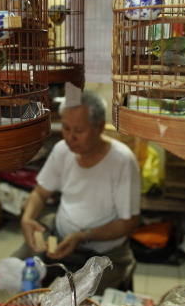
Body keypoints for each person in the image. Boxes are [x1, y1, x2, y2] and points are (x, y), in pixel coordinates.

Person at [15, 90, 141, 294]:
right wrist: (27, 218)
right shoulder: (62, 151)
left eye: (79, 130)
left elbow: (129, 223)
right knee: (17, 275)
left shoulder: (122, 161)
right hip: (60, 238)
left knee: (81, 298)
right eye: (66, 128)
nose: (70, 137)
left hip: (106, 254)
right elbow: (40, 194)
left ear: (99, 126)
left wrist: (83, 236)